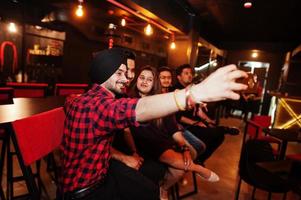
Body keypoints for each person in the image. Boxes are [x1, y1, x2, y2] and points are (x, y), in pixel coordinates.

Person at [60, 47, 248, 200]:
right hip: (85, 191)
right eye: (119, 73)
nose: (127, 78)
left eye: (128, 73)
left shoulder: (82, 100)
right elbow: (138, 108)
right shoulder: (99, 106)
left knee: (151, 190)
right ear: (103, 72)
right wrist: (192, 94)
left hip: (101, 172)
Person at [172, 64, 239, 164]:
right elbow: (177, 117)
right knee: (214, 133)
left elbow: (199, 111)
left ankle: (200, 159)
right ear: (179, 77)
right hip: (185, 126)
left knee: (219, 136)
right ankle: (223, 129)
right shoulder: (175, 91)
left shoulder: (191, 90)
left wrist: (209, 121)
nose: (190, 75)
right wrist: (195, 123)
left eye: (191, 73)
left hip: (195, 122)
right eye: (186, 73)